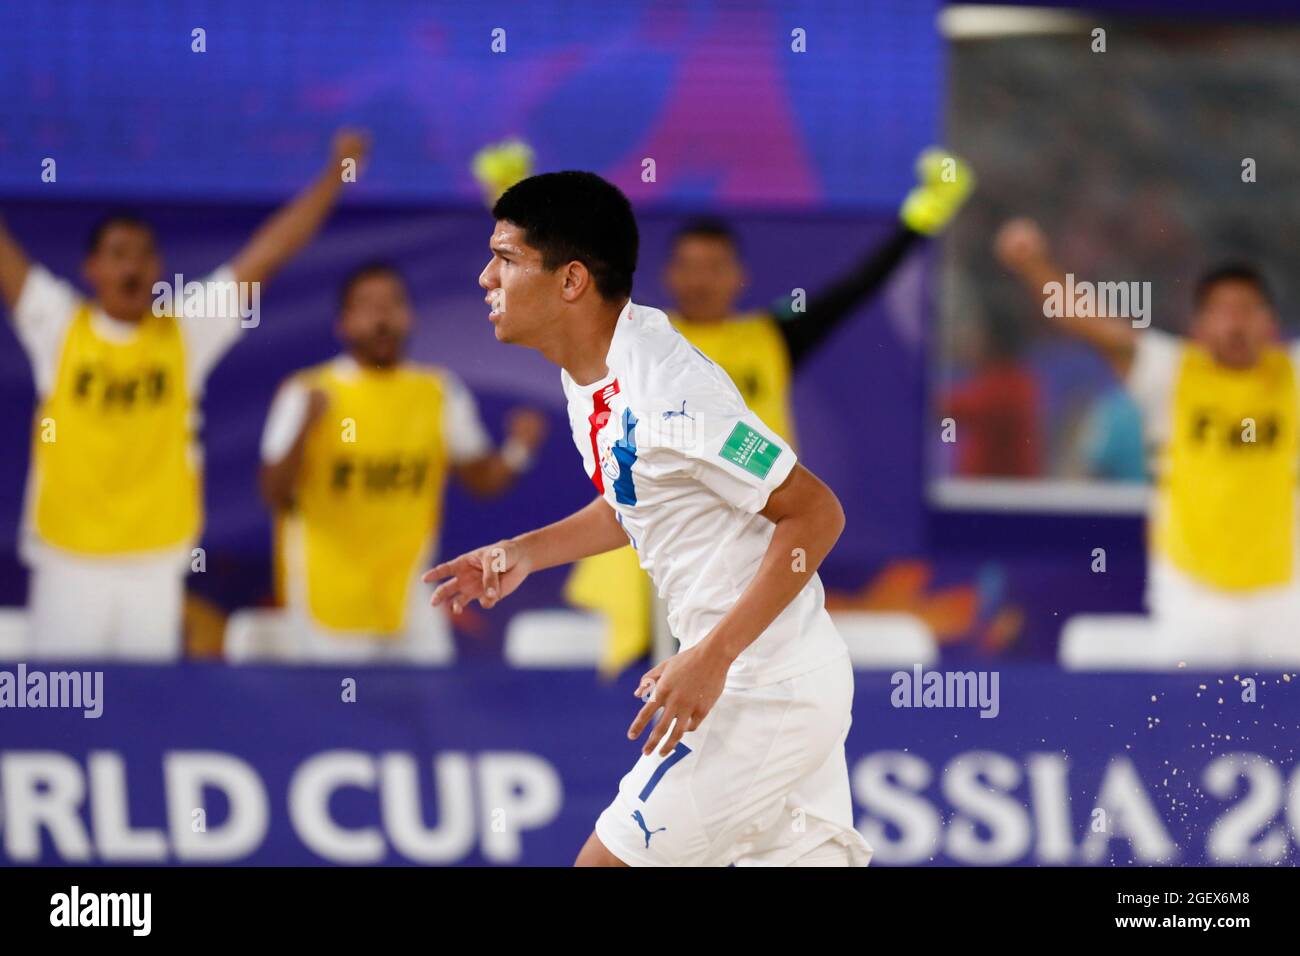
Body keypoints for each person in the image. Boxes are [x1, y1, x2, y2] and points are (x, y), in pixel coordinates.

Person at [426, 171, 873, 867]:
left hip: (762, 691)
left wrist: (712, 657)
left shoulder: (672, 394)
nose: (486, 277)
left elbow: (816, 513)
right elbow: (637, 497)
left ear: (571, 280)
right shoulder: (593, 371)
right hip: (768, 682)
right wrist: (524, 552)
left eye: (506, 258)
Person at [569, 148, 975, 675]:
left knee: (748, 686)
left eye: (714, 267)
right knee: (656, 694)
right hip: (660, 556)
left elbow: (854, 290)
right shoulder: (641, 339)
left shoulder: (772, 338)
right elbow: (570, 295)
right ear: (668, 275)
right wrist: (512, 209)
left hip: (750, 548)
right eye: (688, 266)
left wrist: (921, 218)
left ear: (738, 277)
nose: (701, 279)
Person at [0, 129, 370, 662]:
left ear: (158, 271)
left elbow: (266, 257)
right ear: (92, 270)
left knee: (140, 720)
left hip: (155, 564)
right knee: (65, 715)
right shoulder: (57, 326)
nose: (132, 267)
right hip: (66, 561)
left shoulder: (185, 332)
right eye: (118, 255)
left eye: (144, 256)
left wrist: (337, 175)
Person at [996, 217, 1300, 665]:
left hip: (1285, 591)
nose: (1236, 322)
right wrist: (1032, 264)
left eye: (1248, 308)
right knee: (1191, 720)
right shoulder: (1170, 373)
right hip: (1193, 593)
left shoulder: (1293, 376)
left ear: (1270, 322)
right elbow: (1086, 321)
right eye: (1223, 309)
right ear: (1199, 324)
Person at [258, 262, 547, 663]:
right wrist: (306, 426)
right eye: (367, 306)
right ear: (344, 323)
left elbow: (482, 480)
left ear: (409, 316)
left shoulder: (438, 393)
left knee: (432, 709)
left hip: (411, 590)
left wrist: (519, 448)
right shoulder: (306, 392)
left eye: (391, 304)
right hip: (327, 594)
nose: (380, 317)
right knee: (342, 714)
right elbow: (274, 494)